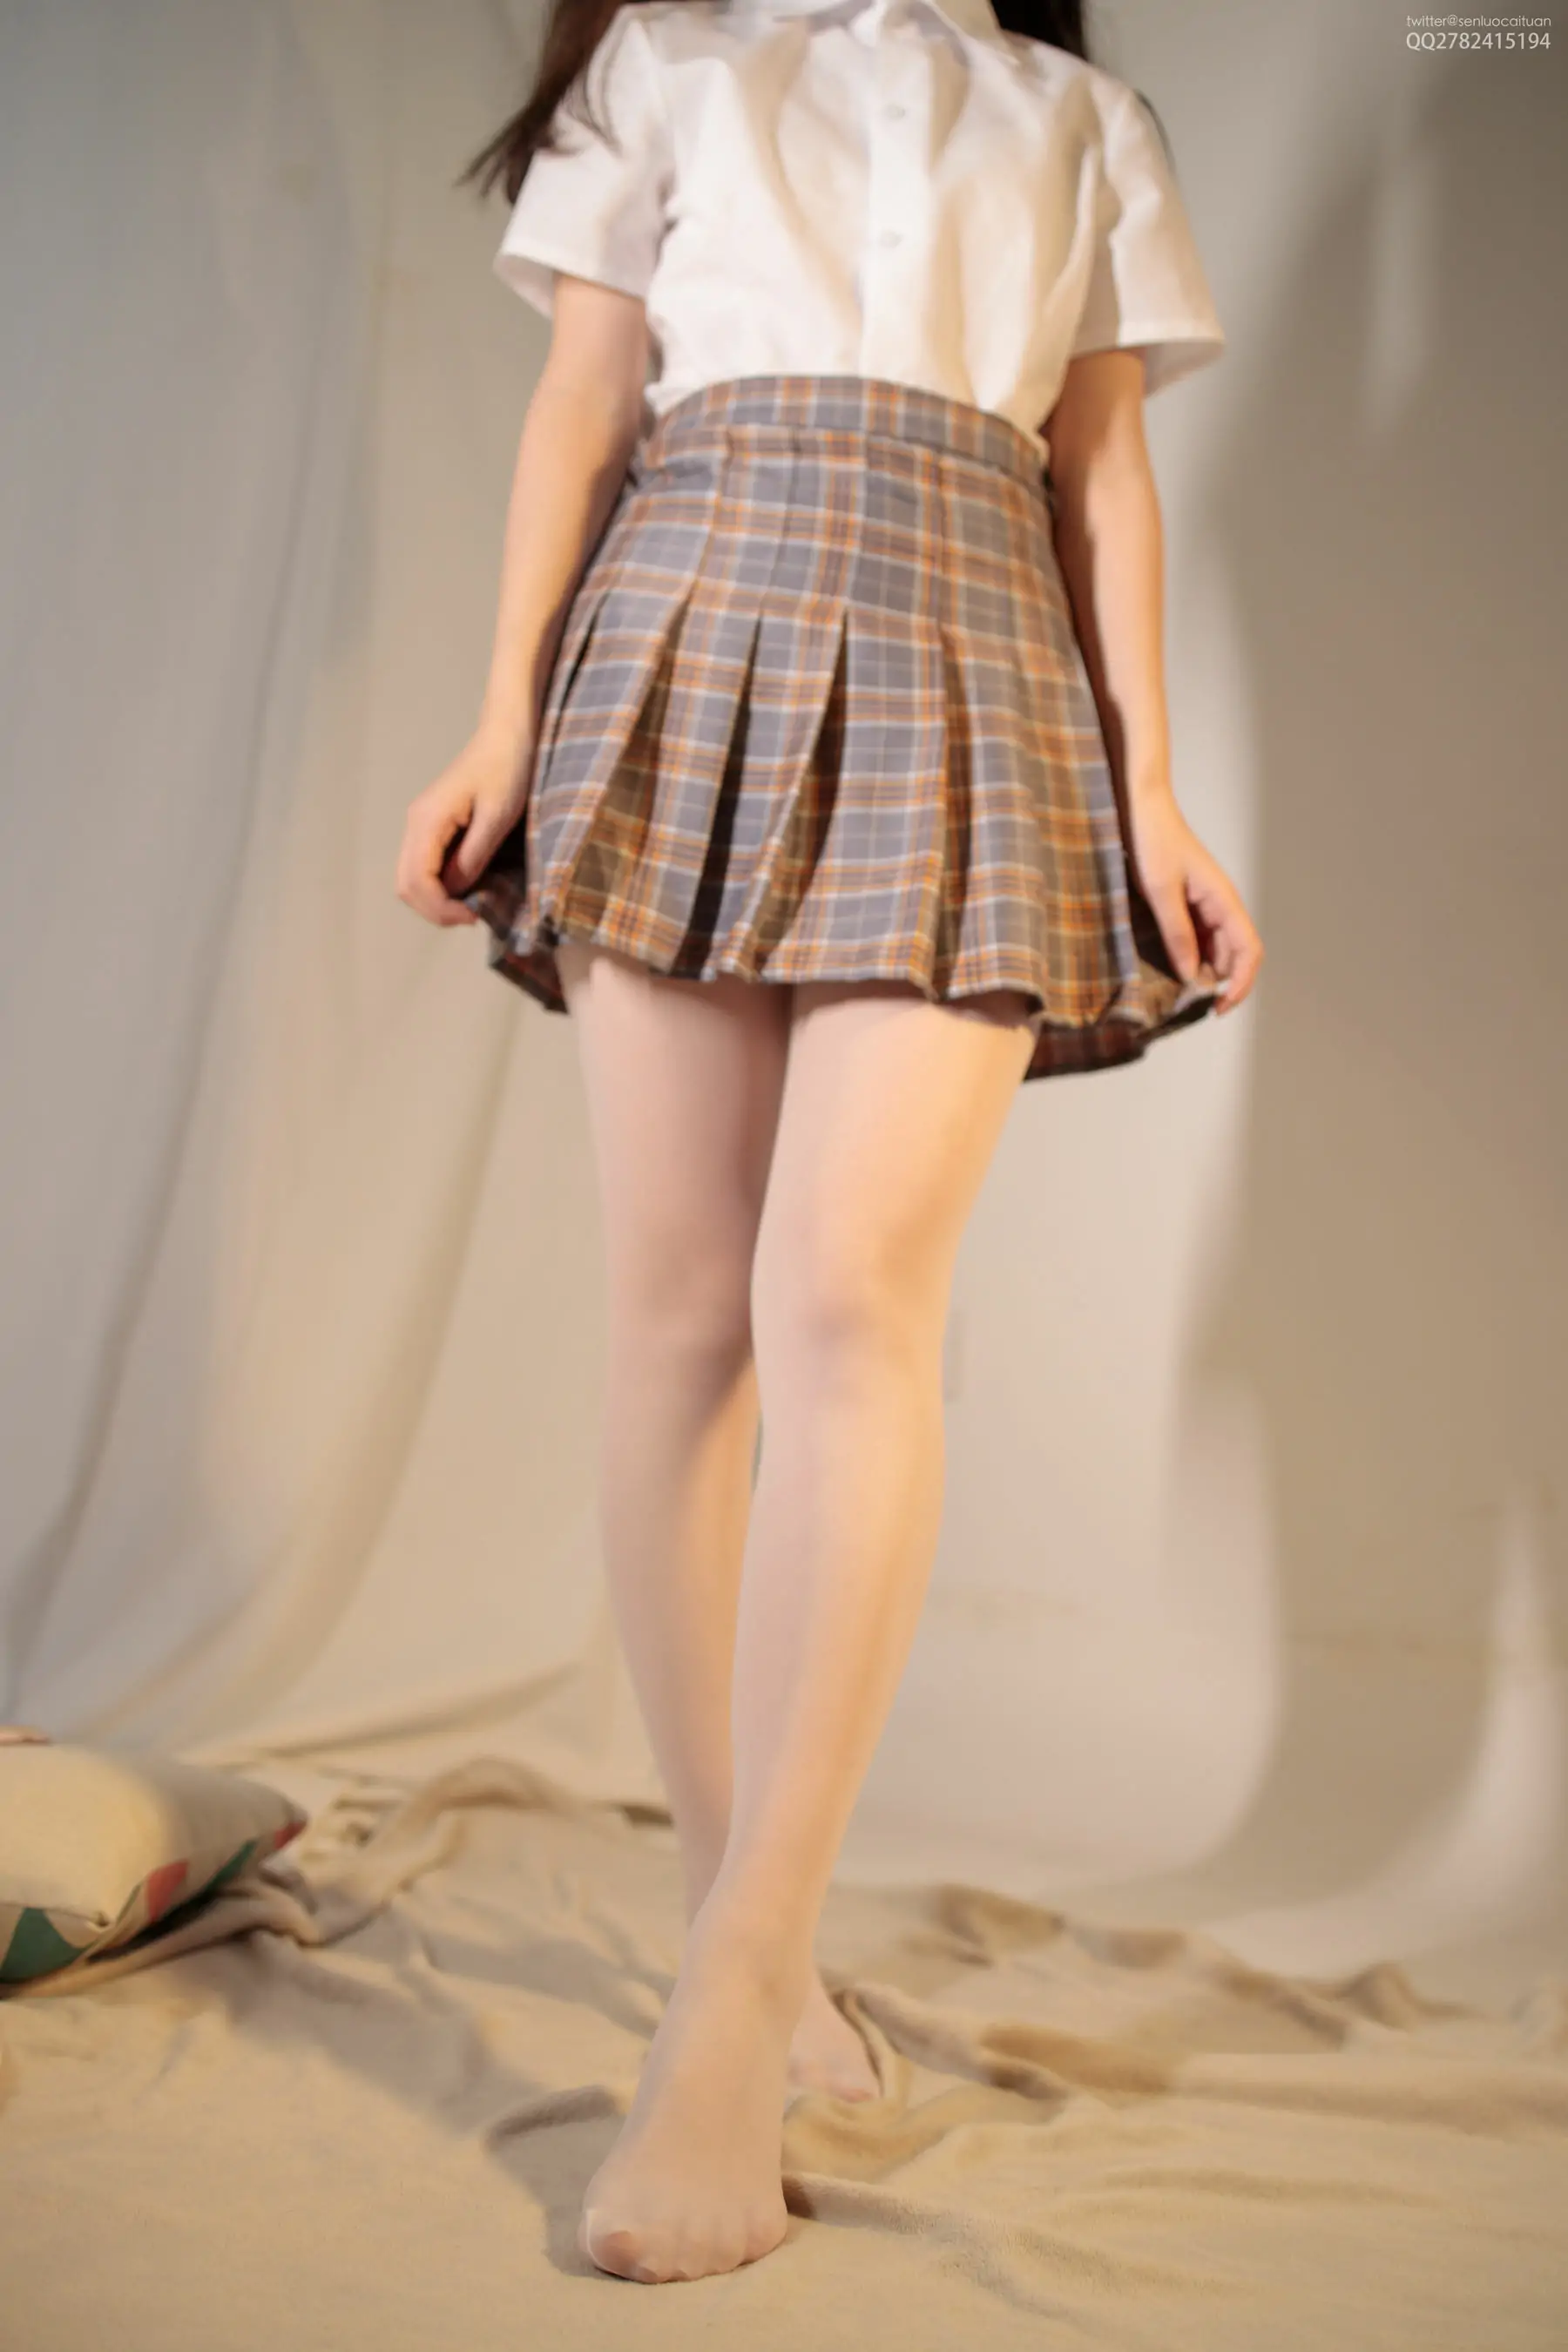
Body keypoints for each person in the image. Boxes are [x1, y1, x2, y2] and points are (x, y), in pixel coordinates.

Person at [395, 0, 1263, 2287]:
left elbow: (1100, 471)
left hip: (974, 657)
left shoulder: (1079, 119)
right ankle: (743, 1931)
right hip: (684, 629)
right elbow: (583, 401)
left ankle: (730, 2000)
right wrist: (498, 723)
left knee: (850, 1300)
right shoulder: (667, 67)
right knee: (687, 1317)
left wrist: (1154, 793)